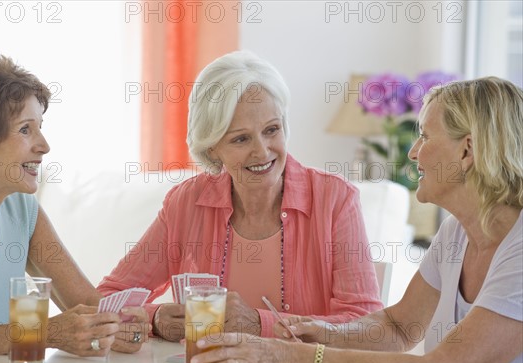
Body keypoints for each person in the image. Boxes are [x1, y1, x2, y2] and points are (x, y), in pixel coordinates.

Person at [190, 76, 523, 363]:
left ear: (466, 152)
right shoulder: (456, 233)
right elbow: (398, 328)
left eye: (425, 136)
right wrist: (331, 334)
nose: (413, 153)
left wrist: (289, 358)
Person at [98, 51, 383, 342]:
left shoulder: (335, 199)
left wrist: (262, 325)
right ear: (212, 149)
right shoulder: (185, 203)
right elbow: (106, 299)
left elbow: (365, 328)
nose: (262, 152)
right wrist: (155, 318)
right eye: (241, 139)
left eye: (271, 130)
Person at [0, 56, 149, 358]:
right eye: (25, 130)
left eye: (40, 127)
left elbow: (86, 302)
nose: (44, 145)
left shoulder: (22, 212)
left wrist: (133, 321)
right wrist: (40, 333)